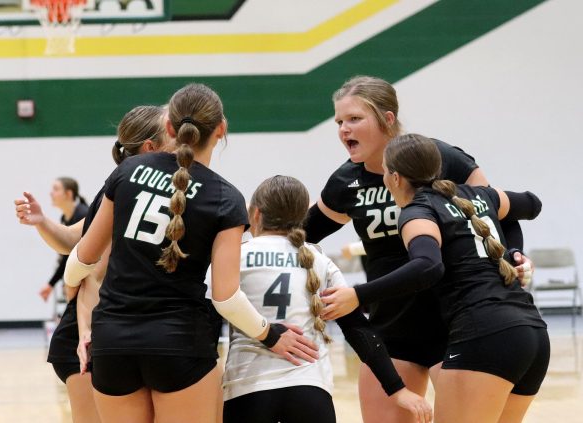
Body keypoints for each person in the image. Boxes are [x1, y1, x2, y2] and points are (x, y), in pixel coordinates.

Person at [64, 83, 319, 423]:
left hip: (114, 342)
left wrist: (71, 289)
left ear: (169, 127)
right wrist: (271, 336)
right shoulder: (226, 198)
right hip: (180, 343)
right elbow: (226, 297)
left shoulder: (126, 172)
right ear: (221, 130)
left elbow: (84, 257)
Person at [304, 75, 534, 423]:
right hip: (391, 327)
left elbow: (497, 210)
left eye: (354, 119)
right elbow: (299, 234)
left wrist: (511, 254)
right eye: (339, 121)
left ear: (387, 119)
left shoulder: (436, 157)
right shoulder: (345, 181)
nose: (343, 129)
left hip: (455, 324)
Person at [223, 175, 432, 423]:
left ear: (255, 215)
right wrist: (397, 389)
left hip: (247, 389)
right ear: (302, 219)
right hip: (310, 389)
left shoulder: (236, 255)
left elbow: (211, 314)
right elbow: (357, 329)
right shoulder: (320, 261)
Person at [14, 105, 173, 423]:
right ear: (150, 147)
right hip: (88, 337)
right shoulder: (123, 190)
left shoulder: (154, 190)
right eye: (171, 132)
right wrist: (43, 222)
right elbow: (81, 253)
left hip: (115, 335)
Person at [38, 177, 89, 302]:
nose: (51, 193)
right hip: (73, 282)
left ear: (68, 194)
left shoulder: (83, 214)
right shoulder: (64, 218)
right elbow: (65, 256)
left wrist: (51, 283)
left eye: (55, 189)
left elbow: (71, 255)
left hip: (86, 285)